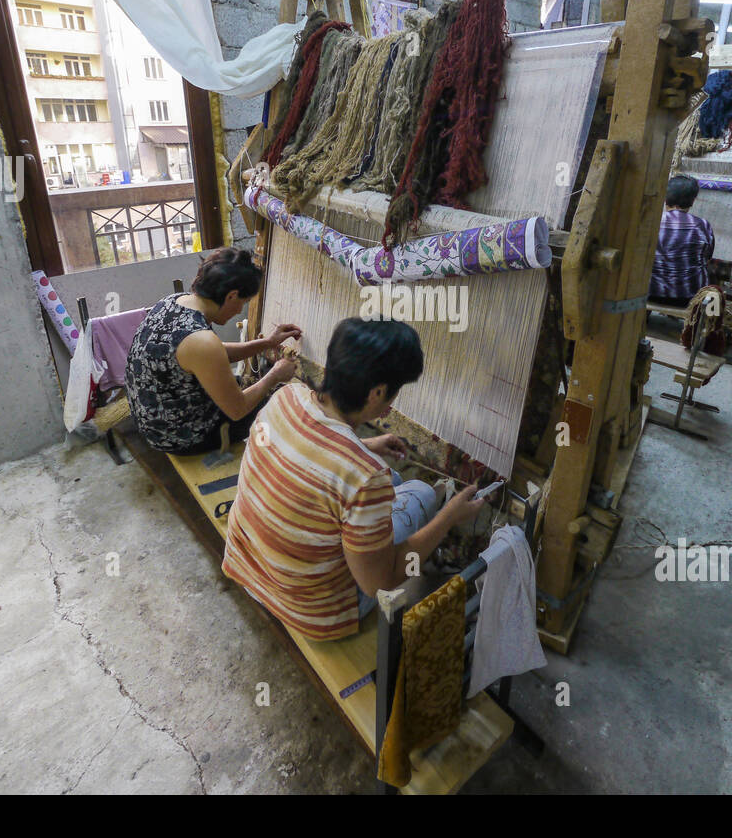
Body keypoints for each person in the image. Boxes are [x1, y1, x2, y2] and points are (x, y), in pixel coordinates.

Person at [221, 318, 488, 641]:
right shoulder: (364, 476)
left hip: (249, 569)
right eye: (395, 391)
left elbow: (311, 450)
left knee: (390, 478)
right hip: (312, 613)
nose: (393, 401)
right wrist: (449, 518)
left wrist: (366, 446)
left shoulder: (287, 397)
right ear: (377, 392)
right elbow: (380, 583)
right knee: (420, 493)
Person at [124, 246, 301, 455]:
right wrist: (275, 376)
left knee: (246, 385)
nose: (238, 311)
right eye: (243, 302)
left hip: (152, 421)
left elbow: (210, 354)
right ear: (232, 296)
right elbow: (237, 410)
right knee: (278, 403)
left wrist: (267, 343)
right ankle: (268, 466)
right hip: (177, 437)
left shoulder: (172, 302)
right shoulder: (202, 342)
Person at [650, 174, 715, 306]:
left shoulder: (651, 221)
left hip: (649, 292)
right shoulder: (702, 225)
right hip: (689, 297)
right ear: (693, 200)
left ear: (665, 196)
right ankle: (699, 325)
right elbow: (707, 258)